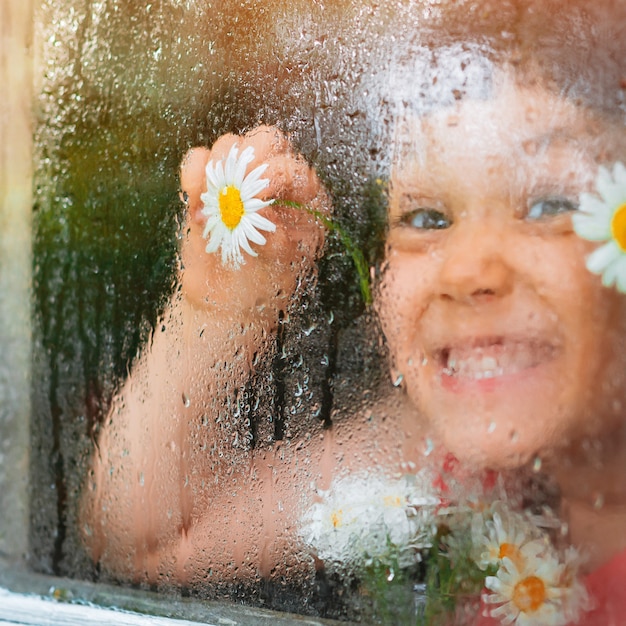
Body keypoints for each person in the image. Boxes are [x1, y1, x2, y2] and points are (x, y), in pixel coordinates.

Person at [81, 5, 626, 624]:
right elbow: (150, 541)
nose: (469, 270)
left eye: (550, 203)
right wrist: (222, 311)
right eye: (426, 218)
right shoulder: (444, 461)